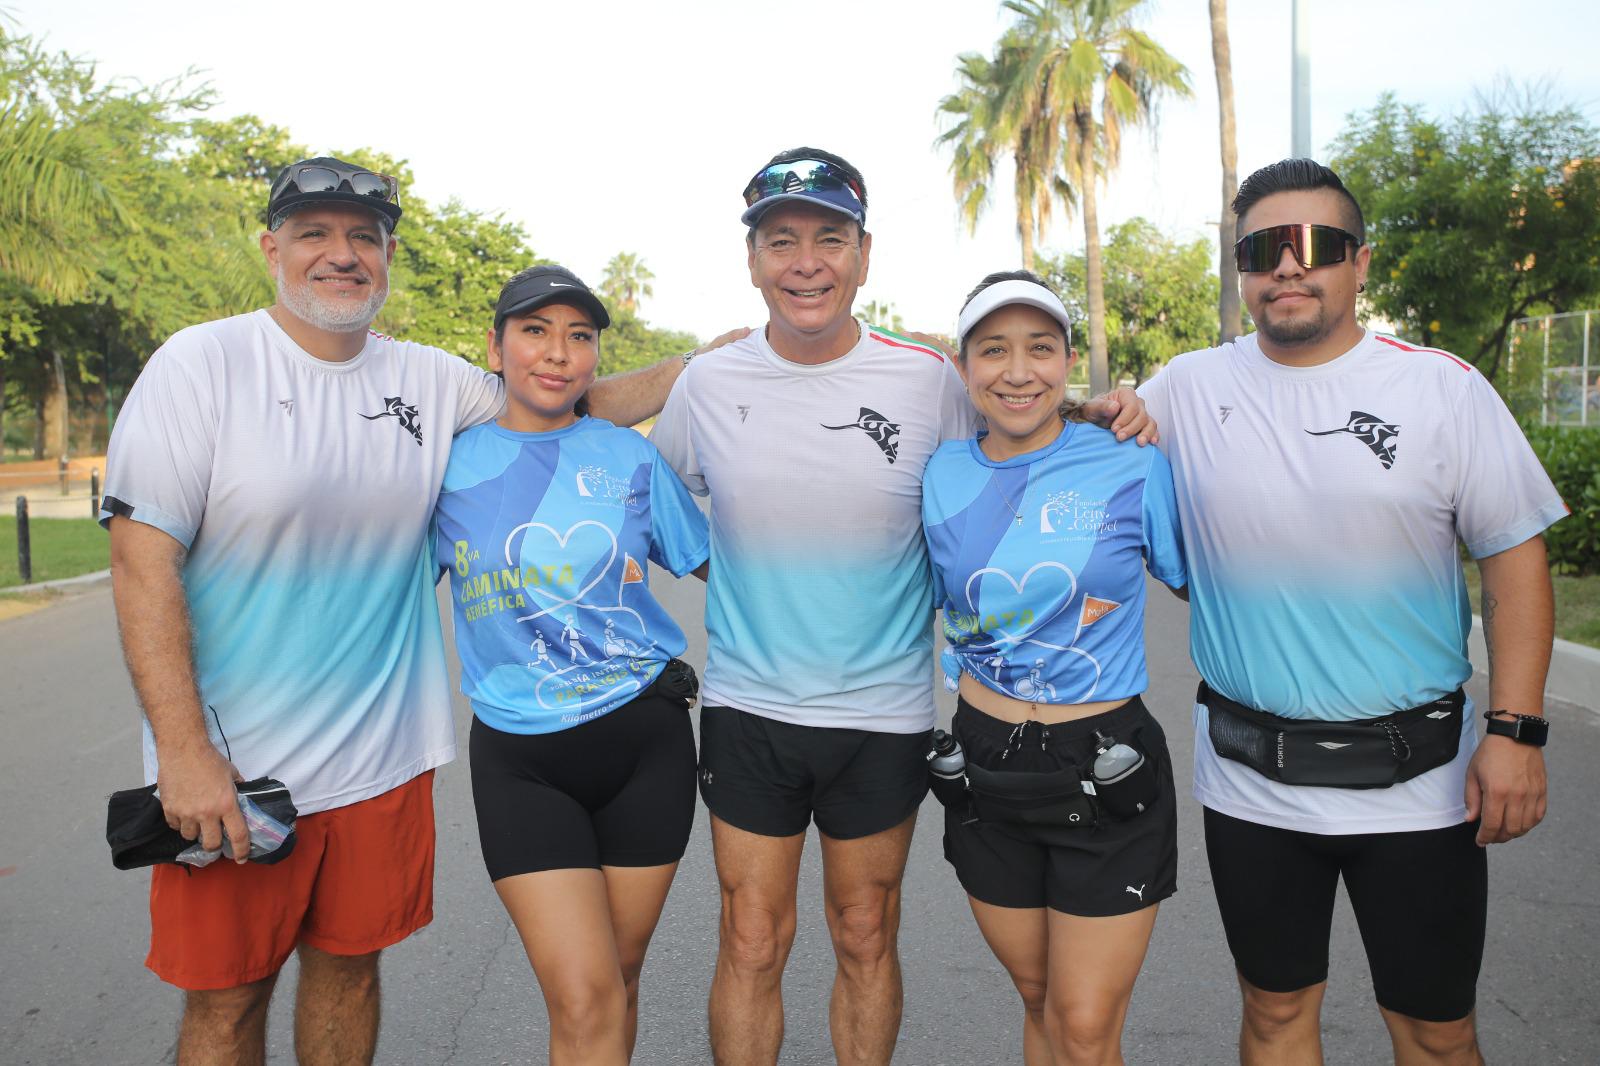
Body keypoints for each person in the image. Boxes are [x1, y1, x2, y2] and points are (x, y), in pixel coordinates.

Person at [100, 157, 701, 1066]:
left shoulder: (430, 381)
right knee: (226, 1004)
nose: (341, 255)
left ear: (386, 256)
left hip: (382, 763)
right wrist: (184, 752)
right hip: (236, 769)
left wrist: (719, 363)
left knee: (349, 977)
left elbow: (561, 405)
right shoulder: (202, 364)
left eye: (363, 238)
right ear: (272, 249)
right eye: (314, 234)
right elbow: (141, 562)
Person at [648, 147, 1155, 1066]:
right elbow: (649, 489)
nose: (807, 261)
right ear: (753, 259)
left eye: (829, 239)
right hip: (749, 709)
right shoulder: (709, 386)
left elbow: (1016, 422)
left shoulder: (925, 382)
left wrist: (1104, 409)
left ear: (865, 254)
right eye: (782, 240)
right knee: (751, 939)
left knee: (864, 934)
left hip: (882, 717)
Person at [1137, 158, 1567, 1065]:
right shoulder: (1185, 389)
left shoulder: (1441, 390)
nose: (1289, 267)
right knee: (1275, 1014)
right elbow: (1041, 421)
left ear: (1359, 263)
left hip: (1419, 784)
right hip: (1251, 780)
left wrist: (1517, 732)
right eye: (1263, 249)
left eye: (1316, 246)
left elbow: (1515, 561)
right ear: (1242, 270)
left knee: (1437, 1032)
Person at [432, 265, 708, 1065]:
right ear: (495, 347)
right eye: (535, 331)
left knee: (616, 978)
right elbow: (379, 588)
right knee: (583, 992)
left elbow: (720, 570)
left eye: (579, 337)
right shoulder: (445, 467)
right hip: (523, 760)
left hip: (645, 745)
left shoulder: (629, 457)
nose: (558, 353)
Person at [922, 270, 1187, 1066]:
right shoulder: (941, 473)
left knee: (1082, 1024)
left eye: (1041, 349)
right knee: (1039, 1002)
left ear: (1068, 360)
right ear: (963, 366)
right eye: (994, 350)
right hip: (985, 766)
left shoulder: (1130, 462)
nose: (1017, 370)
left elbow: (1202, 579)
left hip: (1103, 762)